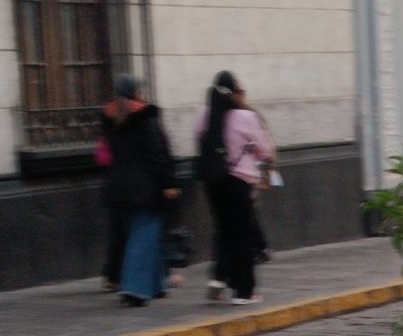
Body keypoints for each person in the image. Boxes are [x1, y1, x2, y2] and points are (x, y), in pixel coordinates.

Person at [195, 70, 278, 305]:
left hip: (212, 180)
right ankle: (244, 291)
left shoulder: (202, 114)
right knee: (241, 235)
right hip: (238, 180)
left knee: (224, 230)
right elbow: (265, 151)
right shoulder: (245, 117)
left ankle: (221, 277)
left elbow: (199, 139)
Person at [101, 76, 180, 307]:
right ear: (135, 91)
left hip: (118, 185)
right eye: (141, 89)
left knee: (142, 235)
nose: (144, 93)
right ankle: (134, 288)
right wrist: (168, 183)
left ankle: (155, 285)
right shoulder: (145, 117)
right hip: (145, 187)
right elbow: (157, 153)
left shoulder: (111, 116)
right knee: (143, 235)